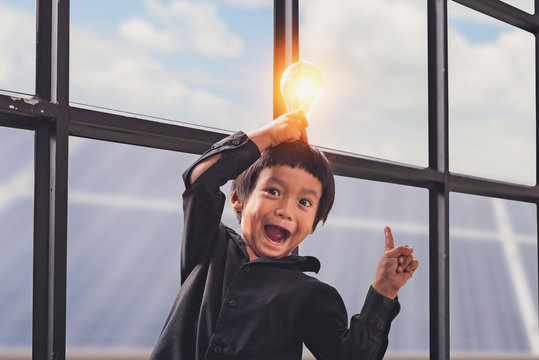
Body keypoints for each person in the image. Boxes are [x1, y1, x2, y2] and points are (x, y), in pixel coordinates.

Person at [150, 110, 418, 360]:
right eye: (273, 191)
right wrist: (269, 135)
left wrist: (385, 289)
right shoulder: (209, 243)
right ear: (237, 198)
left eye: (304, 202)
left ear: (313, 225)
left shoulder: (311, 294)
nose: (285, 210)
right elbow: (200, 178)